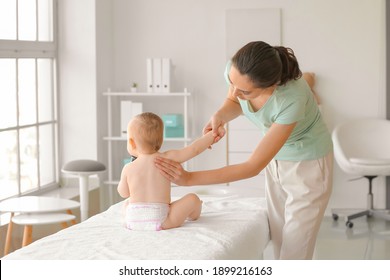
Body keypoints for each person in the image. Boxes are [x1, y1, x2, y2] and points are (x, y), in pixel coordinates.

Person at [154, 41, 333, 259]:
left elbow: (252, 166)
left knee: (295, 250)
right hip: (275, 161)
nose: (236, 91)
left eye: (245, 91)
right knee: (279, 237)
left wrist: (189, 178)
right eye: (232, 82)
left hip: (307, 165)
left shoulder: (291, 98)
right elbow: (233, 100)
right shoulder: (237, 70)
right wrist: (220, 115)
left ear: (272, 85)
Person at [117, 112, 215, 231]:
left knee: (127, 203)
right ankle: (194, 214)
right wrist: (211, 136)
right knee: (192, 199)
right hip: (161, 219)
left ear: (131, 143)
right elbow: (193, 150)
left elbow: (124, 193)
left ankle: (128, 216)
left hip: (133, 219)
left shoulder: (128, 168)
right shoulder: (167, 158)